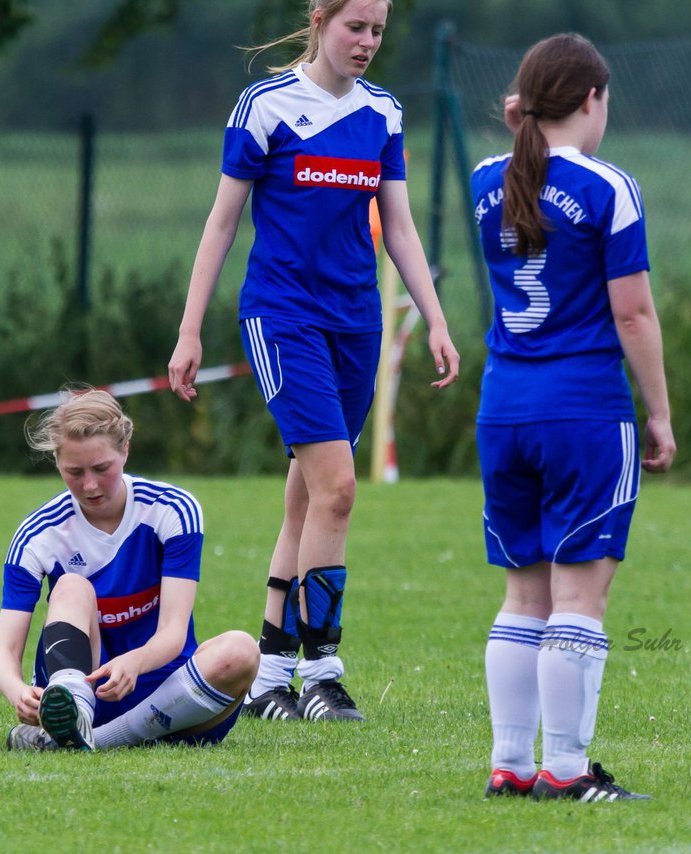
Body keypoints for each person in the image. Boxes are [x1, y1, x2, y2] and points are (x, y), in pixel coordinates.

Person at [168, 0, 459, 723]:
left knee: (307, 494)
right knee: (338, 490)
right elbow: (223, 221)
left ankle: (269, 678)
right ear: (320, 21)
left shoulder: (383, 112)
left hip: (356, 322)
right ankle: (322, 673)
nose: (367, 43)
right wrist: (189, 329)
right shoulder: (265, 105)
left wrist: (436, 316)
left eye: (378, 31)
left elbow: (398, 225)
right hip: (283, 316)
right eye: (354, 27)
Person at [470, 33, 676, 801]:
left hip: (504, 409)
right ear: (592, 99)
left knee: (522, 594)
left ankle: (511, 765)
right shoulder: (607, 186)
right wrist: (659, 413)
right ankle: (565, 770)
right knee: (579, 599)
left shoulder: (486, 178)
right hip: (584, 410)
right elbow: (634, 314)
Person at [0, 386, 259, 751]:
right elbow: (4, 653)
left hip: (168, 693)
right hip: (86, 694)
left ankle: (89, 742)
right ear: (56, 463)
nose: (89, 485)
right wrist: (18, 692)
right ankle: (74, 716)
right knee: (70, 587)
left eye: (102, 468)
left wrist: (135, 662)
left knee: (241, 651)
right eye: (74, 472)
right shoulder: (38, 534)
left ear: (125, 450)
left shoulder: (173, 509)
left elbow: (173, 633)